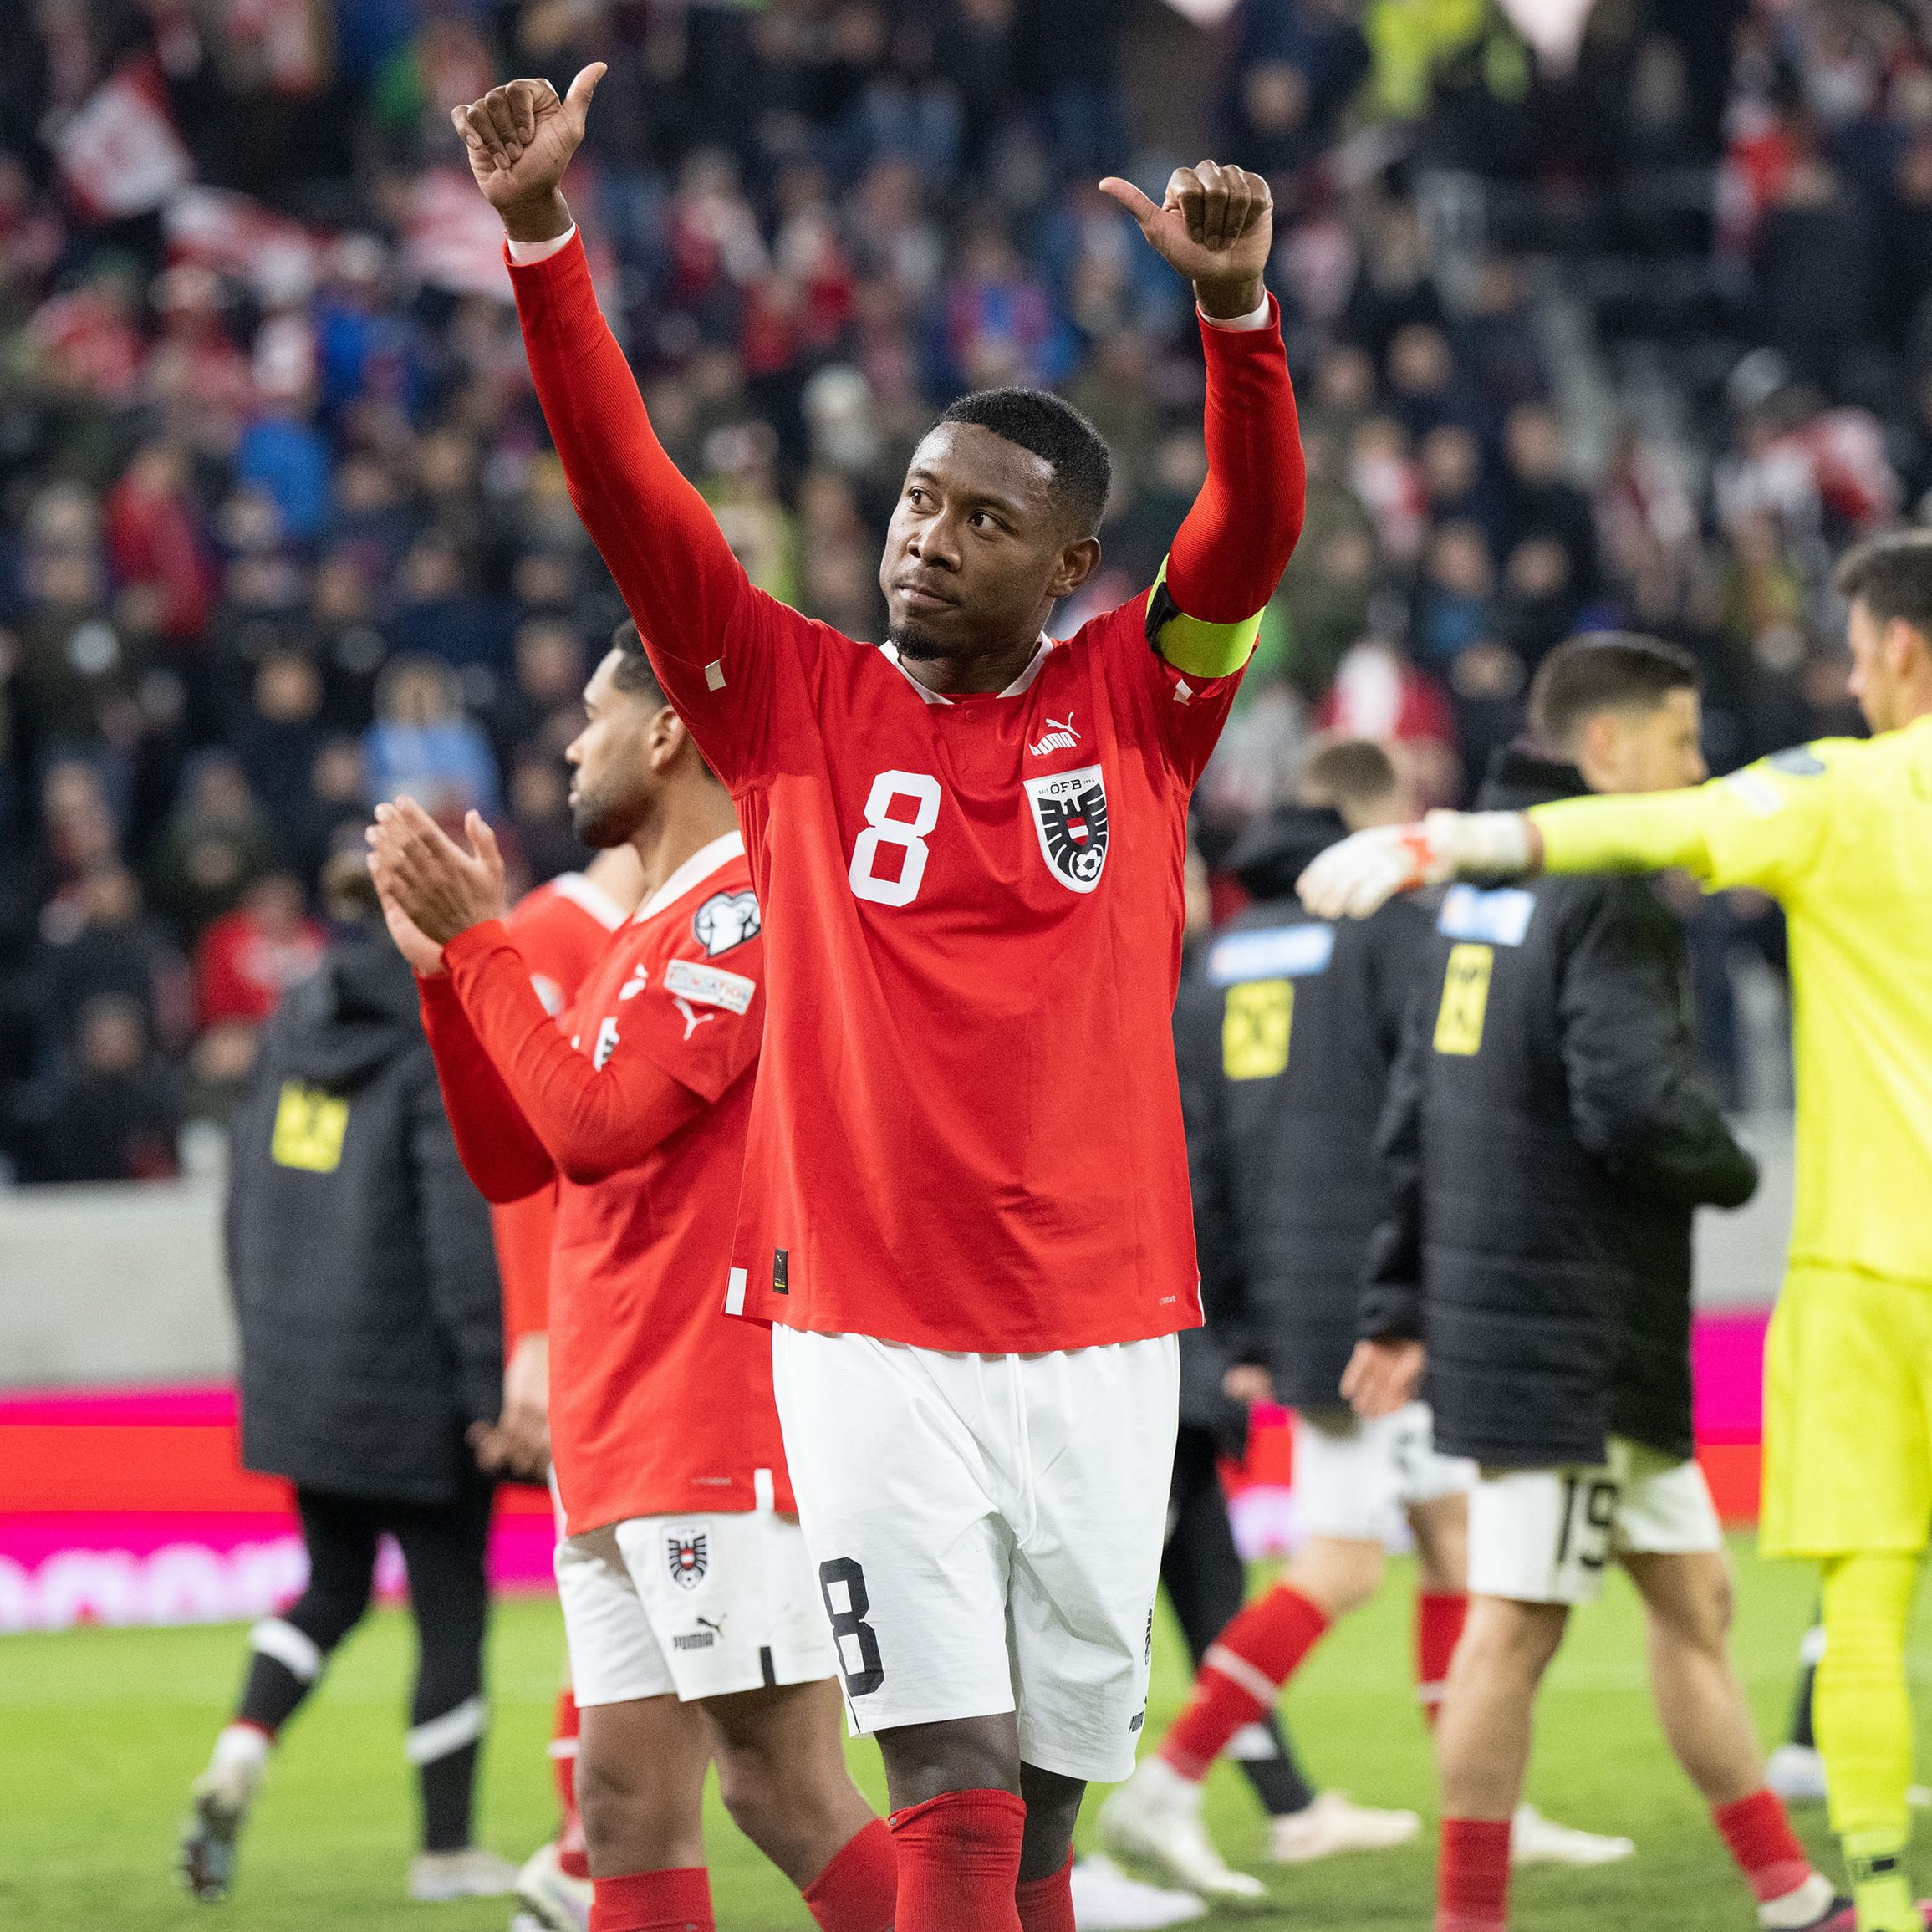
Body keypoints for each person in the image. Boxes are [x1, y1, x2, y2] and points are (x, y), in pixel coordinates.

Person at [449, 61, 1305, 1932]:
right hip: (862, 1332)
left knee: (1052, 1813)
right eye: (919, 500)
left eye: (984, 521)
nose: (930, 534)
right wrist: (542, 243)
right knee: (947, 1785)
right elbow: (631, 493)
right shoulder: (785, 704)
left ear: (1071, 569)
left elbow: (1247, 538)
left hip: (1103, 1322)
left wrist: (1236, 323)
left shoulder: (1143, 710)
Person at [1302, 542, 1932, 1932]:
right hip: (1571, 1328)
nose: (1695, 771)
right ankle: (1477, 1916)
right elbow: (1633, 1100)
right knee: (1517, 1630)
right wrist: (1716, 1168)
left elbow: (1416, 1105)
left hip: (1565, 1311)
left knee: (1699, 1599)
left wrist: (1403, 1293)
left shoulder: (1481, 902)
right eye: (1681, 742)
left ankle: (1804, 1892)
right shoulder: (1602, 901)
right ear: (1606, 744)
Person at [368, 622, 895, 1932]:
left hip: (711, 1419)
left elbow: (598, 1122)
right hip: (621, 1427)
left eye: (591, 715)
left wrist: (484, 947)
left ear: (665, 732)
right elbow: (517, 1158)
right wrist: (448, 980)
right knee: (617, 1804)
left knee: (779, 1783)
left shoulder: (744, 901)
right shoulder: (641, 926)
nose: (568, 742)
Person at [1103, 738, 1624, 1902]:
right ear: (1374, 821)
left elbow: (1203, 1154)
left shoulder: (1225, 954)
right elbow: (1428, 1102)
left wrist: (1231, 1324)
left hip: (1288, 1303)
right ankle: (1173, 1777)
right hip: (1383, 1301)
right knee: (1341, 1563)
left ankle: (1481, 1794)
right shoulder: (1387, 932)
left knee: (1448, 1544)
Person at [179, 853, 515, 1906]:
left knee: (330, 1588)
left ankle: (241, 1745)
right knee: (450, 1612)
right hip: (415, 1379)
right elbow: (455, 1226)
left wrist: (270, 1352)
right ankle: (448, 1849)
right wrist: (484, 1386)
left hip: (307, 1374)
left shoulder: (290, 1025)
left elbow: (244, 1205)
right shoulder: (431, 1026)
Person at [482, 844, 646, 1931]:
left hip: (662, 1302)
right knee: (623, 1578)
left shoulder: (685, 912)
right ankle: (584, 1849)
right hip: (597, 1312)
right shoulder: (551, 932)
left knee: (649, 1586)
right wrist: (533, 1332)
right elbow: (527, 1155)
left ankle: (590, 1854)